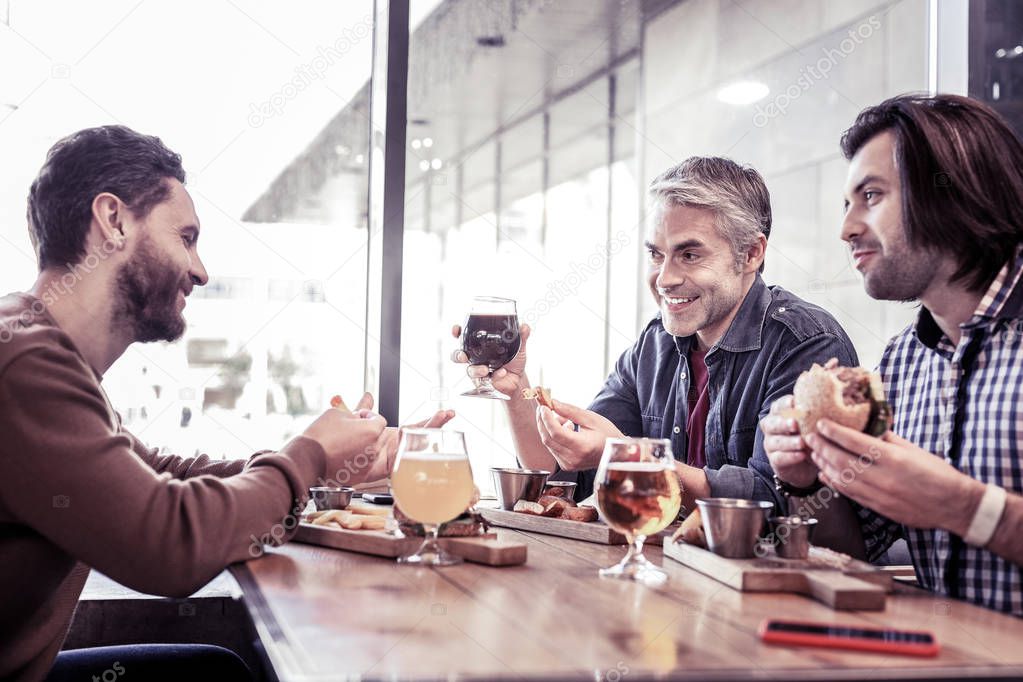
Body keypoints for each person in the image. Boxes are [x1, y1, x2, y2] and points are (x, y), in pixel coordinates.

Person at [0, 125, 451, 681]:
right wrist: (308, 457)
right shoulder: (24, 362)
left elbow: (158, 475)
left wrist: (329, 466)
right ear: (113, 221)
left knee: (213, 673)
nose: (200, 271)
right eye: (185, 237)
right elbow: (166, 542)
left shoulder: (39, 351)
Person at [453, 156, 858, 516]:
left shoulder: (806, 344)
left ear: (751, 254)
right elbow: (563, 475)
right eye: (656, 254)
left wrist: (625, 455)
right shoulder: (655, 345)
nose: (664, 279)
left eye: (689, 254)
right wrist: (516, 390)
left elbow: (772, 504)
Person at [762, 94, 1023, 616]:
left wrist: (969, 509)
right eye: (846, 204)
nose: (847, 228)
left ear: (955, 191)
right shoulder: (902, 364)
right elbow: (853, 552)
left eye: (872, 196)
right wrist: (807, 477)